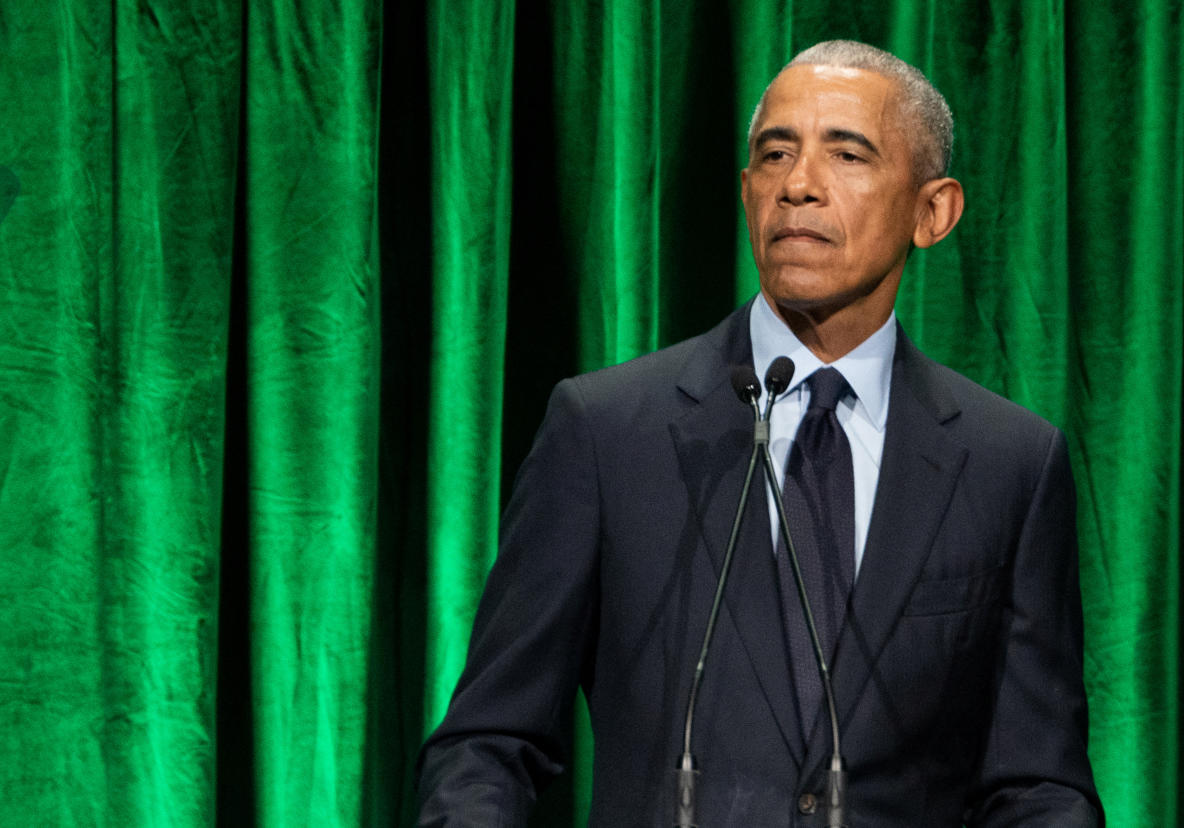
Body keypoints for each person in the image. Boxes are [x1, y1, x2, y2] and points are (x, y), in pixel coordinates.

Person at [415, 40, 1102, 826]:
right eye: (775, 155)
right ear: (747, 194)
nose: (799, 187)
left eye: (847, 154)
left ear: (932, 212)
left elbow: (1038, 784)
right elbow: (487, 745)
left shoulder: (1009, 462)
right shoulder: (606, 433)